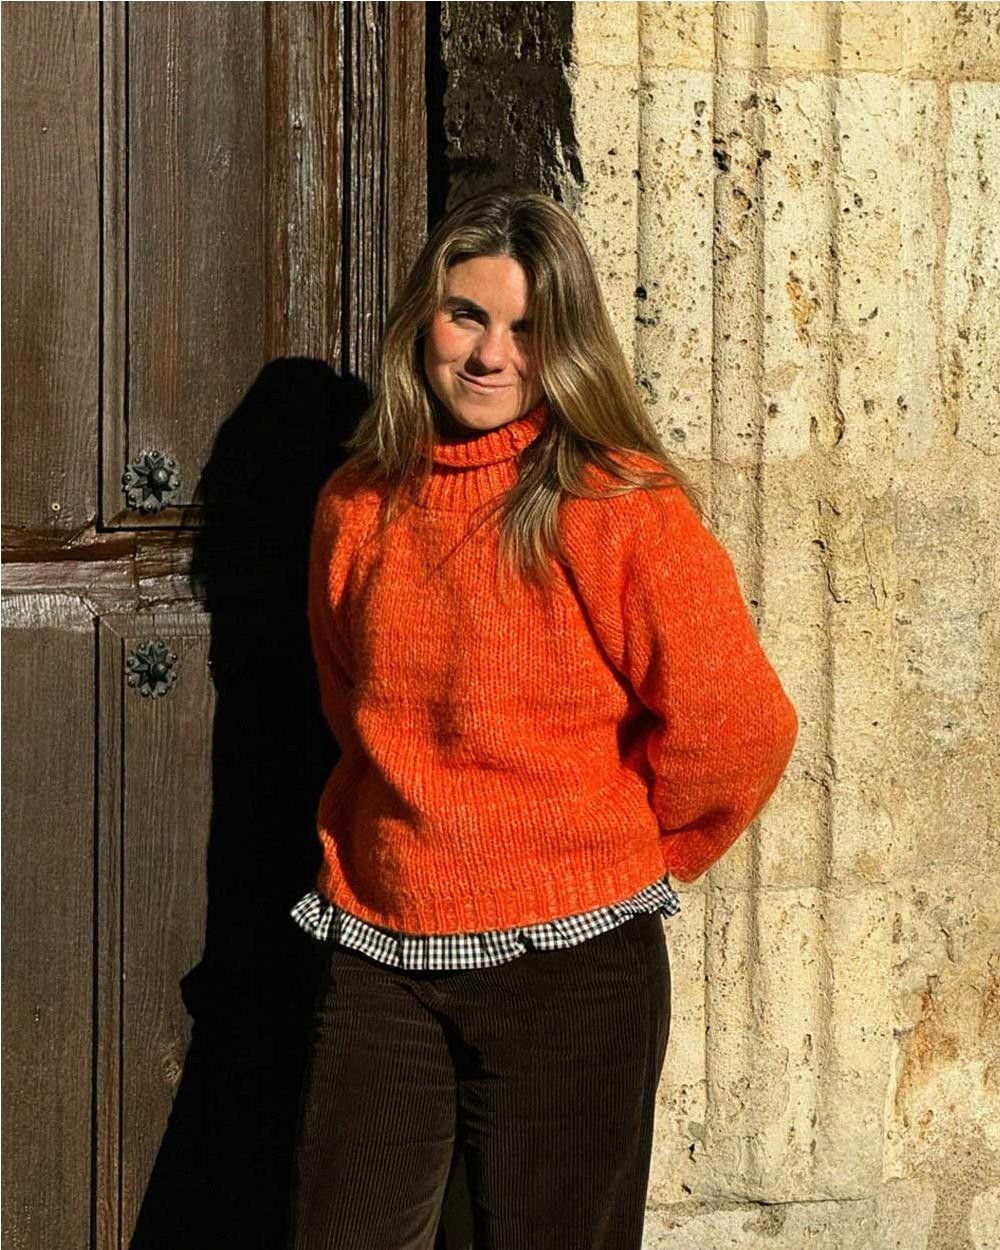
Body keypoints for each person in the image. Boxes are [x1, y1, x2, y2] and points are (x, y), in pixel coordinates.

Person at [285, 186, 799, 1249]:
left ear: (566, 344)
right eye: (467, 315)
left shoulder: (613, 502)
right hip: (382, 948)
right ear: (422, 319)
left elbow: (737, 726)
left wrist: (609, 858)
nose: (491, 354)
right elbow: (353, 703)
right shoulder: (356, 503)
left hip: (573, 968)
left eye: (526, 328)